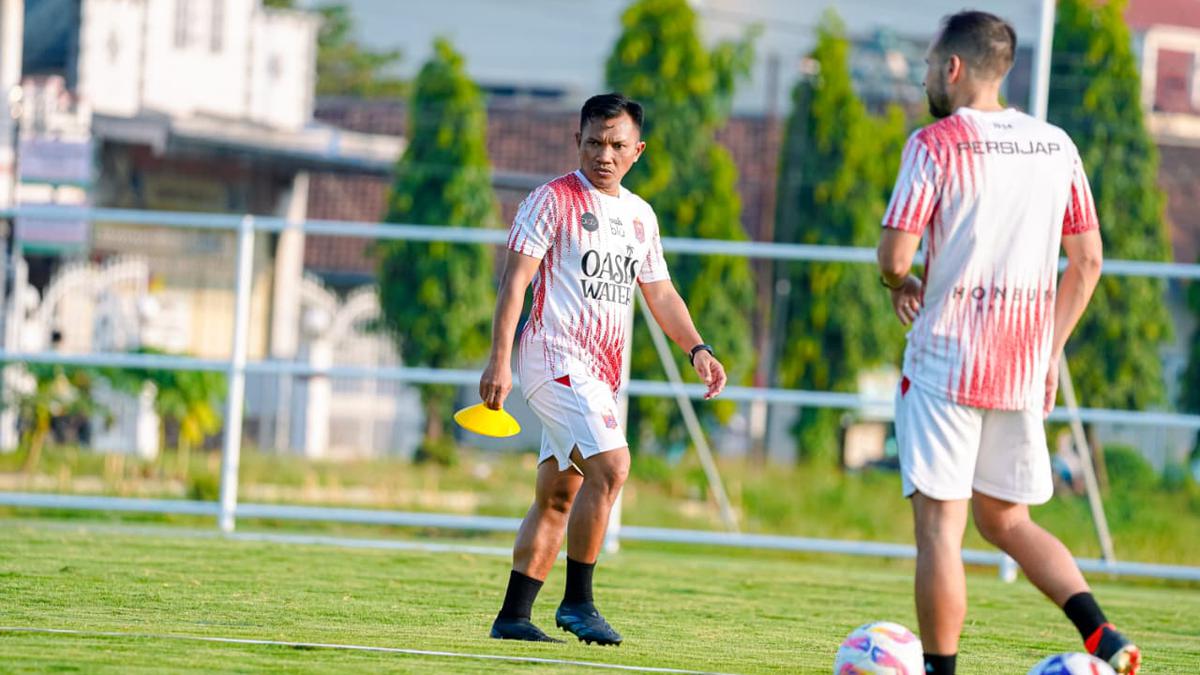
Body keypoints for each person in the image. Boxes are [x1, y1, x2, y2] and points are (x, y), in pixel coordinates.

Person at [876, 11, 1141, 675]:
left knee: (942, 529)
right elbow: (1087, 261)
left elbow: (893, 252)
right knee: (1007, 519)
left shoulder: (934, 144)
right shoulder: (1057, 145)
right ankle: (1101, 633)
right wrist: (1049, 349)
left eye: (934, 63)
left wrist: (899, 281)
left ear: (954, 69)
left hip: (944, 359)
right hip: (1021, 365)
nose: (930, 75)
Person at [480, 92, 727, 645]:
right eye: (594, 142)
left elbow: (662, 295)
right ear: (578, 141)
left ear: (637, 150)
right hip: (551, 357)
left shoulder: (640, 217)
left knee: (559, 493)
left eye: (617, 145)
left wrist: (699, 350)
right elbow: (514, 283)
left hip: (599, 376)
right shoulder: (550, 201)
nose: (604, 154)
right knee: (612, 467)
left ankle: (514, 616)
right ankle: (578, 602)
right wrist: (499, 360)